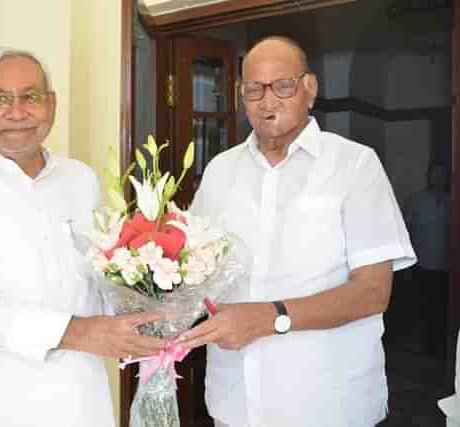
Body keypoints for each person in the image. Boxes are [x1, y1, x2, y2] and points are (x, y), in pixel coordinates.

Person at [0, 47, 165, 427]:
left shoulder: (81, 178)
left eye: (30, 97)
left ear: (51, 104)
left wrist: (154, 302)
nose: (16, 113)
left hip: (80, 396)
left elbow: (100, 277)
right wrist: (76, 332)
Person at [180, 36, 416, 427]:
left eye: (282, 86)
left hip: (328, 405)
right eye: (253, 90)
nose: (267, 102)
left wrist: (268, 318)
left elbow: (373, 292)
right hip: (234, 404)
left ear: (310, 89)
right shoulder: (221, 170)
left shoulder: (354, 165)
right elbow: (195, 270)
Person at [403, 163, 451, 358]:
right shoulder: (416, 200)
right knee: (423, 307)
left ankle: (441, 346)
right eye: (435, 174)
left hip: (447, 266)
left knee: (442, 308)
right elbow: (405, 232)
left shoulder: (452, 201)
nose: (438, 178)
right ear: (428, 176)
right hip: (421, 264)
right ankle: (424, 347)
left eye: (442, 174)